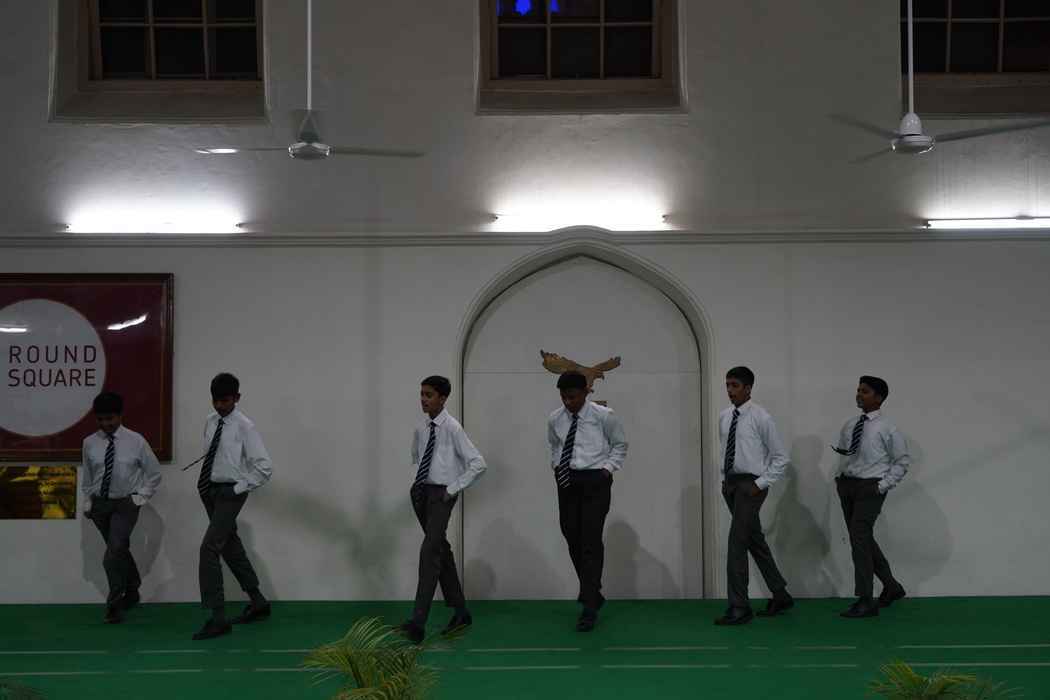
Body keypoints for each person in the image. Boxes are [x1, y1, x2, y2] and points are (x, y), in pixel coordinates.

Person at [399, 376, 487, 644]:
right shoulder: (422, 427)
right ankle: (461, 612)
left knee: (429, 552)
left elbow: (478, 463)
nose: (423, 399)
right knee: (440, 550)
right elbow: (416, 456)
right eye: (422, 394)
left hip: (442, 495)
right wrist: (418, 485)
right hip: (422, 493)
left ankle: (418, 622)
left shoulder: (453, 428)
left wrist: (452, 488)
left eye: (429, 395)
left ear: (443, 398)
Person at [192, 373, 273, 640]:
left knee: (209, 548)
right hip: (210, 490)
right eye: (215, 400)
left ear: (237, 398)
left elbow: (264, 467)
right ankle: (258, 601)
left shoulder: (245, 426)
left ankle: (217, 617)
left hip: (231, 493)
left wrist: (237, 488)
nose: (219, 406)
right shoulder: (210, 421)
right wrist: (207, 487)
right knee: (229, 545)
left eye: (225, 400)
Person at [547, 371, 627, 632]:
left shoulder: (604, 416)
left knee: (590, 539)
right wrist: (556, 466)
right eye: (563, 397)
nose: (567, 401)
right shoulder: (555, 418)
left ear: (585, 392)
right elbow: (554, 445)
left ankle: (589, 605)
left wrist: (607, 470)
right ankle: (593, 591)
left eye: (572, 396)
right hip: (567, 479)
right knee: (571, 535)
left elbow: (620, 445)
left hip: (595, 479)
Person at [716, 366, 794, 626]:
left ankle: (739, 606)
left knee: (736, 543)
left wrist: (760, 484)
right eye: (727, 385)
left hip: (751, 486)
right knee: (753, 539)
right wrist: (725, 479)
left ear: (748, 388)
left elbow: (781, 457)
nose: (730, 390)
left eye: (735, 385)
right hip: (732, 485)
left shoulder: (762, 417)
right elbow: (726, 451)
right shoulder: (724, 416)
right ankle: (780, 594)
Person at [832, 375, 910, 618]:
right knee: (862, 539)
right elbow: (846, 454)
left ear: (879, 398)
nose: (858, 394)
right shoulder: (850, 425)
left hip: (870, 488)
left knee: (859, 538)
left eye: (864, 391)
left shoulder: (887, 428)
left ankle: (866, 599)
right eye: (858, 390)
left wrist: (882, 486)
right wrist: (840, 478)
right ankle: (892, 587)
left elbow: (902, 461)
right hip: (848, 485)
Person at [81, 391, 162, 624]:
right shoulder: (89, 443)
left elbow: (154, 473)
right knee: (118, 550)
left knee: (112, 554)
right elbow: (88, 476)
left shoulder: (136, 441)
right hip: (99, 505)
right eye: (101, 419)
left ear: (120, 415)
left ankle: (114, 604)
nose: (106, 423)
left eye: (110, 418)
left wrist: (140, 497)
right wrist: (88, 500)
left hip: (125, 505)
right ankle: (133, 587)